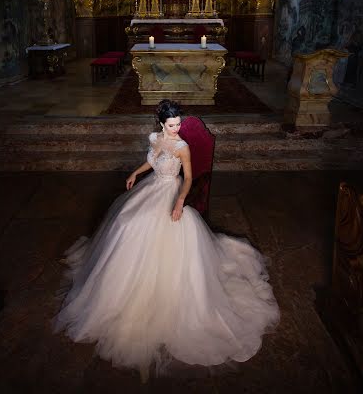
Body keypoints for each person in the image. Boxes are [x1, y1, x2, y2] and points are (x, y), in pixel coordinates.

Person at [53, 99, 280, 380]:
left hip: (172, 191)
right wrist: (135, 174)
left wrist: (180, 201)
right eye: (172, 125)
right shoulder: (158, 139)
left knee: (154, 225)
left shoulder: (182, 146)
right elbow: (151, 161)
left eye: (179, 124)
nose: (177, 129)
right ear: (162, 124)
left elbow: (188, 178)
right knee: (126, 221)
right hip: (152, 188)